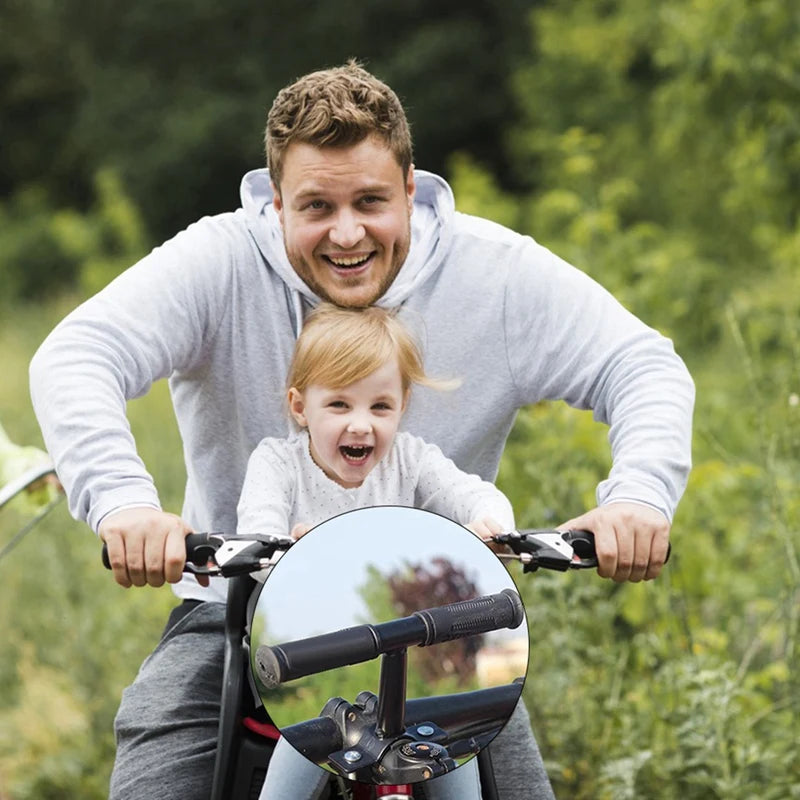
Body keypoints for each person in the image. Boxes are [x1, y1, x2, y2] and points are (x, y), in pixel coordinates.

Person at [28, 61, 694, 800]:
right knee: (158, 765)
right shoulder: (216, 263)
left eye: (372, 201)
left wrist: (637, 498)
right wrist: (125, 503)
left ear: (411, 190)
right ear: (278, 203)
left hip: (441, 625)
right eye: (316, 206)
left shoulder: (497, 277)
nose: (347, 234)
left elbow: (643, 365)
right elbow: (76, 354)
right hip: (239, 609)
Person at [244, 303, 513, 799]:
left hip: (402, 646)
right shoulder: (277, 464)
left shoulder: (410, 458)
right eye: (340, 406)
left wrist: (489, 526)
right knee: (306, 736)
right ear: (301, 407)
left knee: (451, 742)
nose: (362, 425)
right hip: (306, 649)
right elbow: (258, 530)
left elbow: (475, 493)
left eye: (380, 406)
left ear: (403, 404)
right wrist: (285, 552)